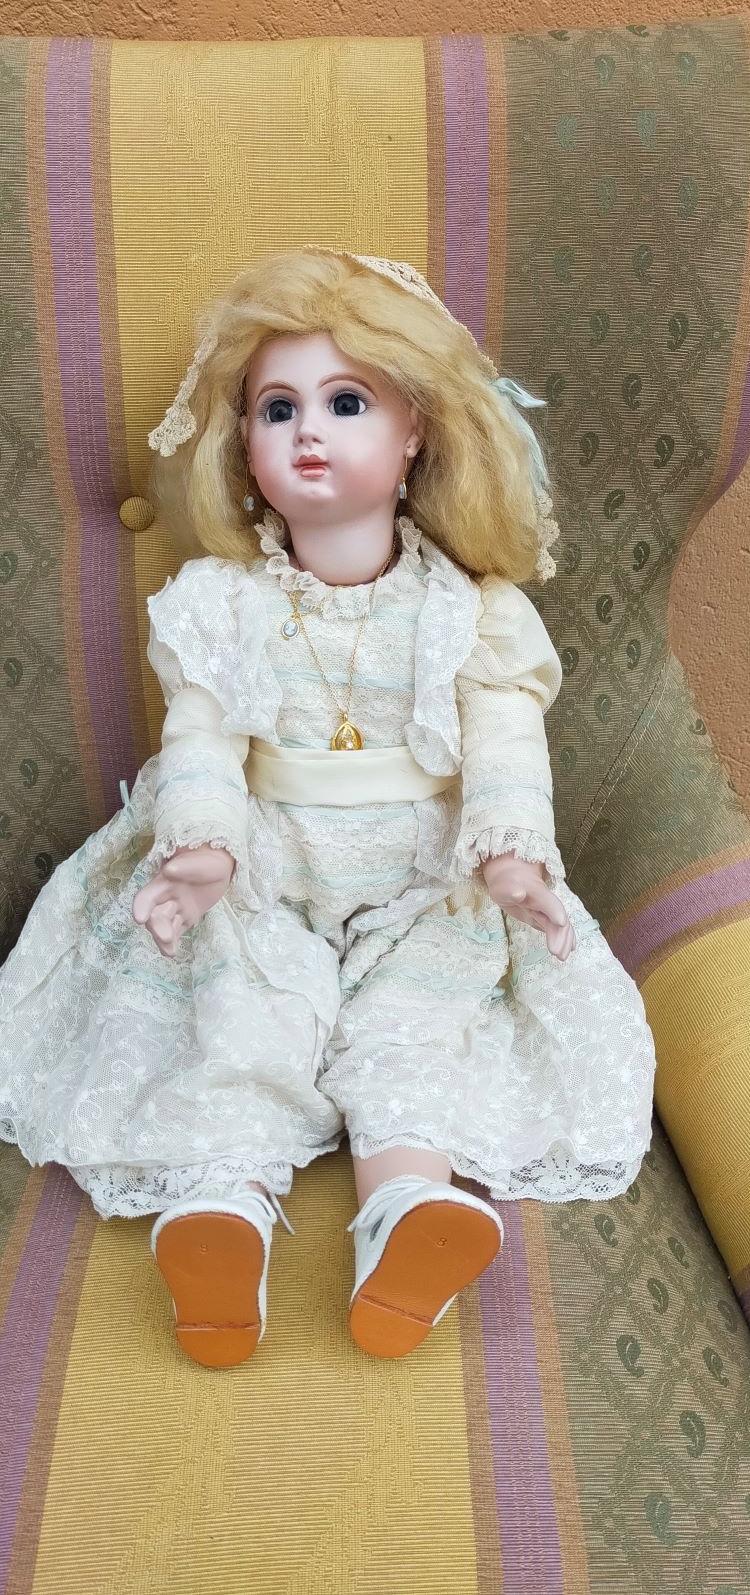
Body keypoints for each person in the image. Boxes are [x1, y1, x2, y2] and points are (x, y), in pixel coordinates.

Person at [0, 246, 656, 1368]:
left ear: (416, 434)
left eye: (348, 402)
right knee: (243, 1001)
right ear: (244, 446)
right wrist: (202, 846)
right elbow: (201, 736)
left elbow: (505, 739)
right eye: (278, 408)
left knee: (414, 1021)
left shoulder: (468, 611)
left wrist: (512, 851)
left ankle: (407, 1209)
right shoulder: (224, 602)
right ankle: (222, 1209)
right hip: (266, 865)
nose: (309, 430)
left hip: (423, 879)